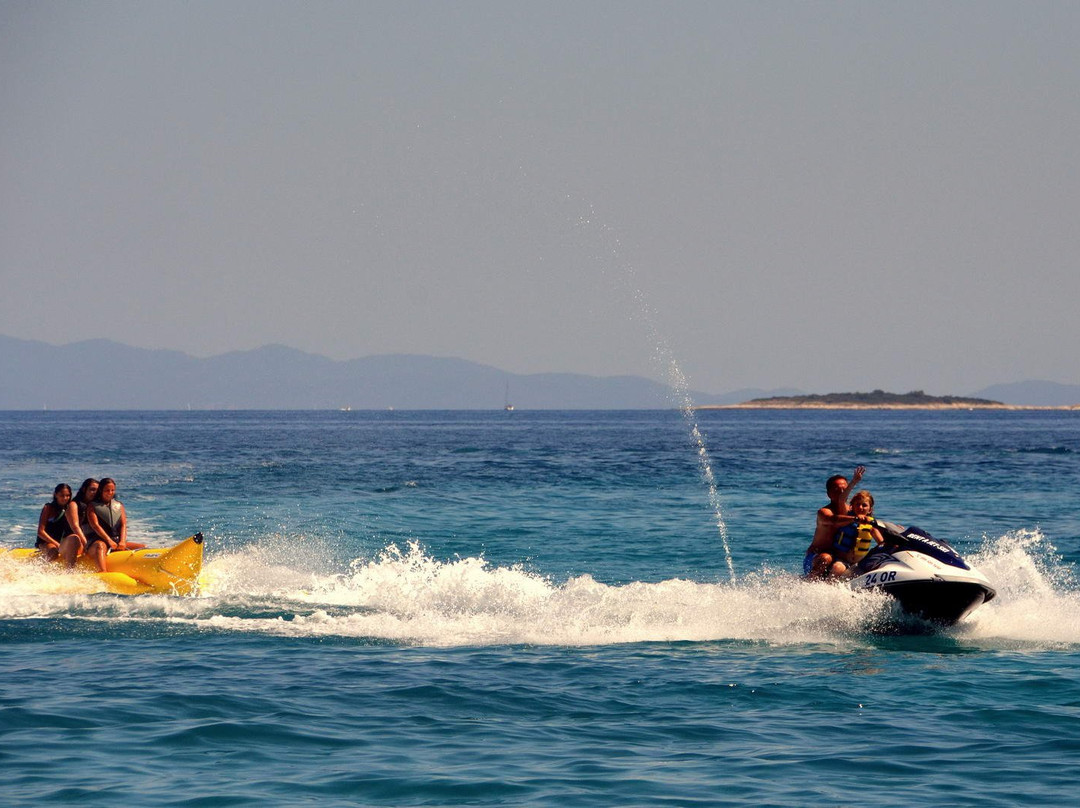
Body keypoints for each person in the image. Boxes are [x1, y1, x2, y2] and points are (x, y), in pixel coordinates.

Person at [804, 465, 865, 579]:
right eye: (837, 490)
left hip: (839, 559)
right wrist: (855, 519)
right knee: (826, 558)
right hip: (816, 559)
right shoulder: (824, 512)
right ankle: (807, 585)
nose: (841, 492)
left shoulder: (853, 511)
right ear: (828, 494)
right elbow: (833, 520)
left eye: (844, 489)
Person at [85, 478, 145, 572]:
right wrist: (109, 541)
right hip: (97, 542)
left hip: (116, 541)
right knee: (100, 546)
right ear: (101, 490)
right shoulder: (92, 506)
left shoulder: (119, 505)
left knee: (142, 547)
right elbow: (95, 526)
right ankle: (102, 572)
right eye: (107, 490)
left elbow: (123, 525)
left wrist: (122, 541)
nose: (110, 492)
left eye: (112, 490)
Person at [35, 483, 88, 566]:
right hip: (45, 542)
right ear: (56, 495)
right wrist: (56, 544)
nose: (65, 498)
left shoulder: (70, 508)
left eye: (67, 495)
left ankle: (70, 570)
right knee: (53, 552)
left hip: (61, 543)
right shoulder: (48, 508)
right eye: (62, 495)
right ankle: (41, 570)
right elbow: (40, 532)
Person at [831, 490, 884, 566]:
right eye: (857, 504)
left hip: (859, 563)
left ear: (870, 510)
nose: (860, 507)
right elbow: (841, 500)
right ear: (852, 506)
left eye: (864, 505)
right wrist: (854, 481)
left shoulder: (872, 525)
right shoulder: (846, 518)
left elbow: (881, 543)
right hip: (841, 560)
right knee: (837, 567)